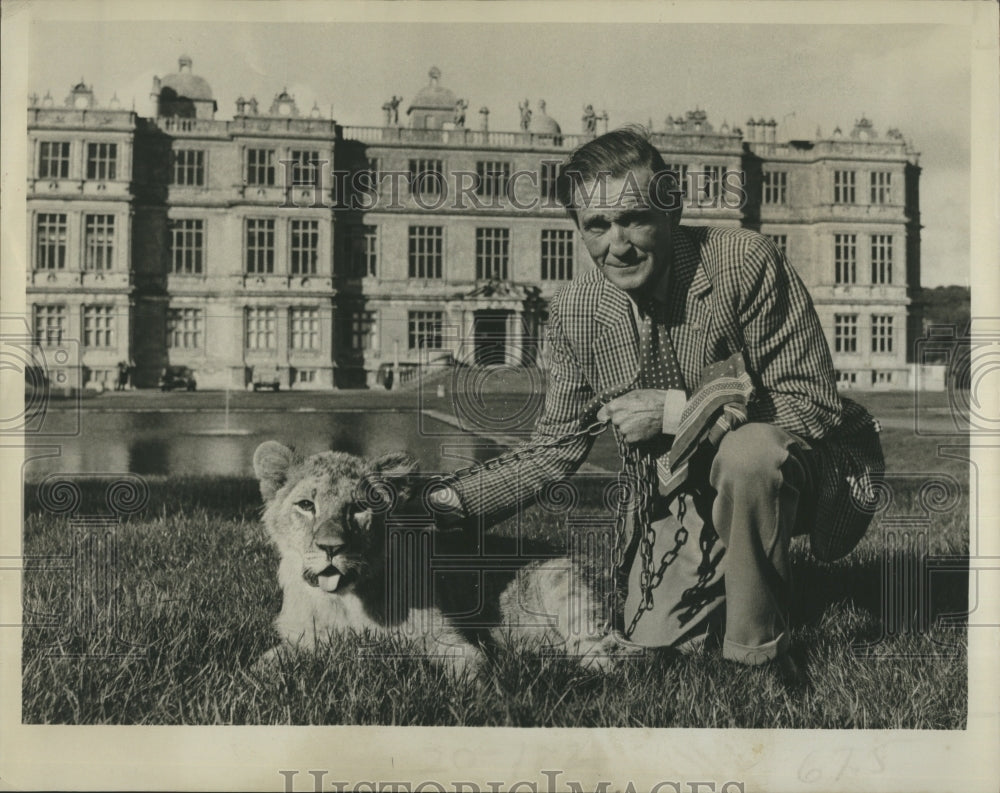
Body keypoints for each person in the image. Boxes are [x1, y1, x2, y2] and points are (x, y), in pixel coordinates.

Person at [429, 127, 883, 681]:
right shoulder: (577, 311)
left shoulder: (743, 261)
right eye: (597, 226)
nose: (617, 244)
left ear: (673, 210)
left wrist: (673, 413)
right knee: (655, 643)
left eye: (634, 218)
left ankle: (759, 658)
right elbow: (551, 452)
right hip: (678, 487)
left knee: (749, 455)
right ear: (579, 230)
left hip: (800, 469)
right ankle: (734, 581)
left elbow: (811, 404)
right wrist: (442, 504)